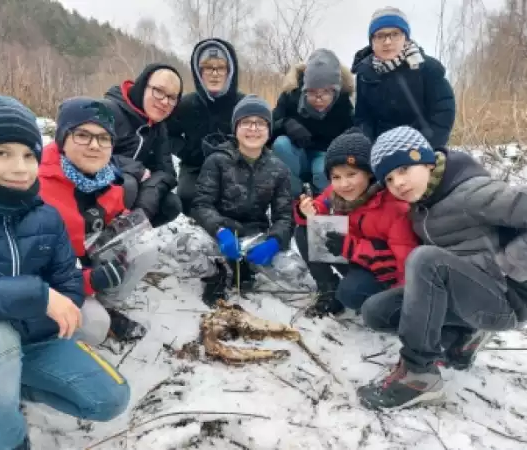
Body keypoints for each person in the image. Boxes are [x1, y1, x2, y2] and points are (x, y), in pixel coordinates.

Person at [0, 93, 129, 450]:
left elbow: (68, 287)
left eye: (29, 155)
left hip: (30, 342)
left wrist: (41, 309)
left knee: (110, 398)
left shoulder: (44, 216)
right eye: (2, 153)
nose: (20, 168)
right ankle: (8, 439)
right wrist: (30, 296)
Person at [357, 126, 527, 410]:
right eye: (388, 178)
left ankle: (418, 376)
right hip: (469, 293)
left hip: (508, 297)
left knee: (426, 259)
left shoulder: (473, 193)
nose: (397, 183)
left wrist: (510, 263)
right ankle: (465, 336)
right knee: (376, 311)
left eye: (403, 169)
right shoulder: (422, 207)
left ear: (426, 161)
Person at [39, 97, 148, 346]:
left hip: (85, 260)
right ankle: (55, 347)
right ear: (62, 138)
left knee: (145, 249)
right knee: (94, 325)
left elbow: (111, 219)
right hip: (55, 283)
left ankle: (107, 307)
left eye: (103, 138)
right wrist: (89, 281)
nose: (94, 146)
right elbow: (35, 272)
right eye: (82, 135)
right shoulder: (39, 190)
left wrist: (126, 230)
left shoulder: (107, 178)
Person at [188, 95, 300, 306]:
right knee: (195, 247)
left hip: (253, 234)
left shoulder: (279, 169)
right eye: (246, 122)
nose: (253, 129)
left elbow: (284, 216)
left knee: (290, 267)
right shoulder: (217, 160)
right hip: (218, 231)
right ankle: (218, 274)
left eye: (260, 123)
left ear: (268, 130)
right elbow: (202, 205)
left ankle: (244, 269)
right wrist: (220, 230)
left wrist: (275, 241)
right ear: (236, 127)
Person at [294, 128, 418, 317]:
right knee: (305, 229)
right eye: (336, 177)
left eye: (351, 174)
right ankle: (328, 290)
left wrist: (351, 247)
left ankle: (377, 302)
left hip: (384, 273)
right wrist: (309, 211)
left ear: (369, 173)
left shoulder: (394, 207)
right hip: (354, 255)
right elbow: (321, 203)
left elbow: (405, 264)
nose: (344, 184)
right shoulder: (336, 194)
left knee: (351, 293)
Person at [352, 7, 455, 148]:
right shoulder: (365, 74)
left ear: (405, 37)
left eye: (394, 34)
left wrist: (429, 147)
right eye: (380, 36)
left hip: (423, 147)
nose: (387, 42)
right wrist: (370, 147)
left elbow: (443, 112)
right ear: (372, 41)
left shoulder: (428, 68)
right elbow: (363, 119)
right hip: (381, 149)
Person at [168, 38, 245, 216]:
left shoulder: (243, 104)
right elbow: (168, 134)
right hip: (196, 168)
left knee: (237, 201)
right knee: (188, 197)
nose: (214, 74)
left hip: (234, 167)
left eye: (220, 68)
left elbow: (260, 135)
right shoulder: (185, 104)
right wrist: (188, 151)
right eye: (208, 68)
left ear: (230, 71)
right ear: (199, 72)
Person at [104, 63, 184, 227]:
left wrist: (147, 202)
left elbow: (167, 171)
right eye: (159, 91)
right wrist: (136, 170)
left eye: (172, 97)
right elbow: (84, 155)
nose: (164, 101)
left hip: (133, 192)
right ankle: (89, 241)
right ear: (142, 86)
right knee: (129, 184)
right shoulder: (108, 111)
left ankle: (128, 235)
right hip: (92, 189)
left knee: (171, 204)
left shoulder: (158, 126)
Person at [272, 48, 354, 196]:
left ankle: (322, 205)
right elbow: (269, 126)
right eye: (312, 92)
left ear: (335, 91)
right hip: (296, 155)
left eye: (326, 92)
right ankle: (294, 197)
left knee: (322, 171)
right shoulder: (290, 95)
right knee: (281, 144)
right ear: (304, 89)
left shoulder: (344, 104)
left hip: (324, 156)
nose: (319, 98)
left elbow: (350, 137)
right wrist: (287, 124)